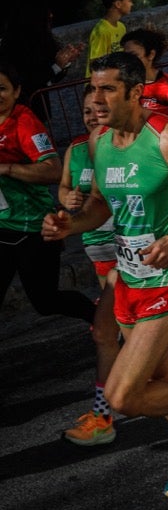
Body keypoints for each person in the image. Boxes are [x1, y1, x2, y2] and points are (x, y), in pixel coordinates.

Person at [42, 51, 168, 499]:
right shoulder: (99, 142)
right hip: (129, 278)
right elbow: (100, 208)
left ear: (136, 93)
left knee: (123, 396)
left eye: (107, 89)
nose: (95, 98)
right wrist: (69, 225)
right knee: (158, 379)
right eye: (91, 89)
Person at [0, 59, 95, 331]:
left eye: (2, 88)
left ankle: (102, 321)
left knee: (45, 301)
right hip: (1, 228)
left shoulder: (24, 122)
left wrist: (7, 168)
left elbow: (53, 170)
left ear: (17, 91)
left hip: (33, 228)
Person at [85, 0, 133, 74]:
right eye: (129, 0)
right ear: (118, 4)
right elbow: (94, 64)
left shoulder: (121, 27)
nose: (132, 4)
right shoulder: (101, 31)